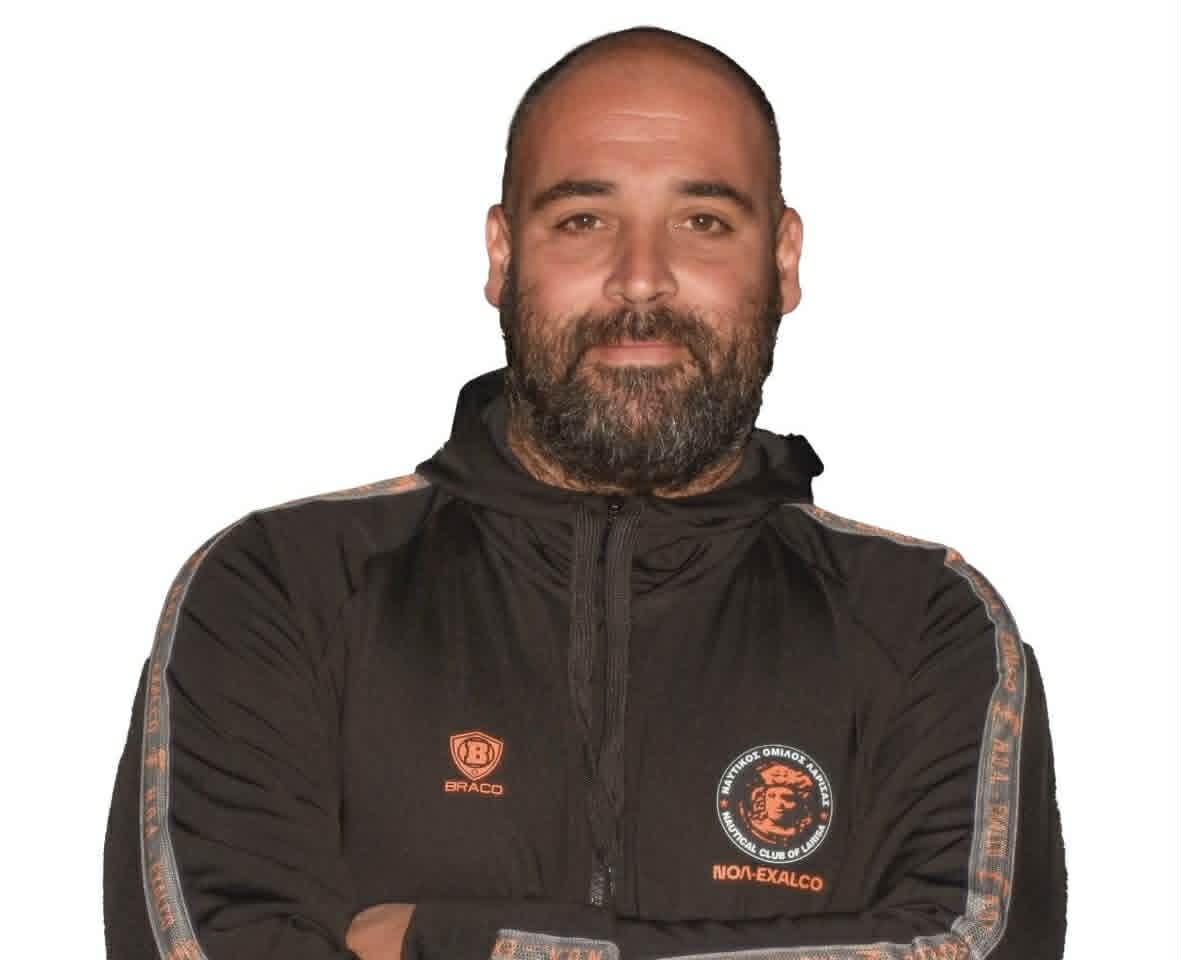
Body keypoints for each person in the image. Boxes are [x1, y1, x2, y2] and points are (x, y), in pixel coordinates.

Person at [103, 25, 1067, 960]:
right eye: (582, 220)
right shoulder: (282, 588)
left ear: (782, 260)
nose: (640, 281)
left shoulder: (923, 625)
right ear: (501, 254)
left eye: (702, 221)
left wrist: (452, 942)